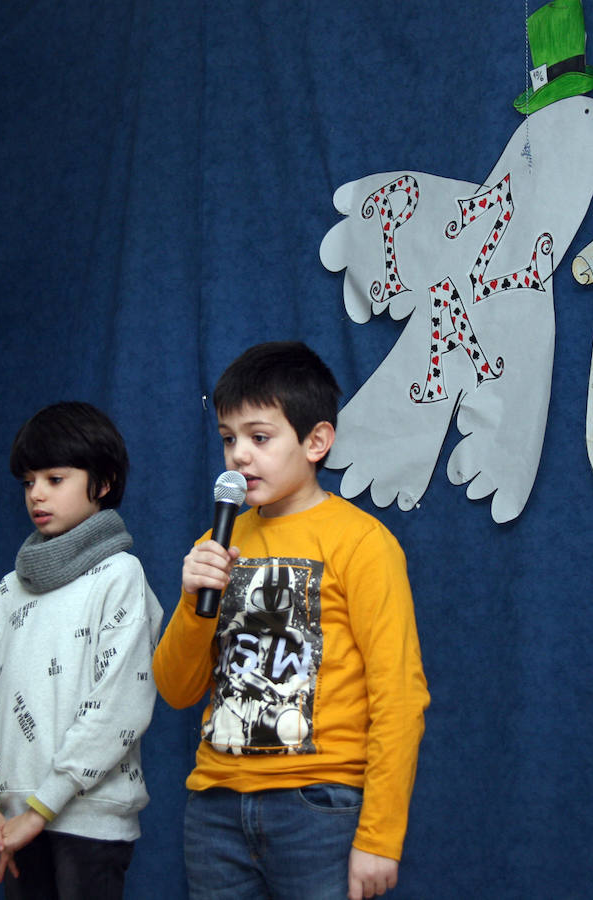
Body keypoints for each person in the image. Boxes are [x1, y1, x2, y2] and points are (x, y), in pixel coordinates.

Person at [153, 341, 430, 900]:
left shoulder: (362, 543)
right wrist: (191, 602)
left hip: (318, 806)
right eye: (229, 439)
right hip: (216, 809)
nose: (239, 457)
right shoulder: (216, 542)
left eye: (259, 437)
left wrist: (380, 835)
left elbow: (398, 695)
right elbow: (176, 690)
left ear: (315, 441)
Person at [0, 401, 163, 900]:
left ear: (105, 481)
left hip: (89, 823)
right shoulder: (13, 587)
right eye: (29, 482)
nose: (37, 495)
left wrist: (40, 808)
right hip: (17, 820)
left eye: (55, 478)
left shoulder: (120, 576)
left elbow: (118, 708)